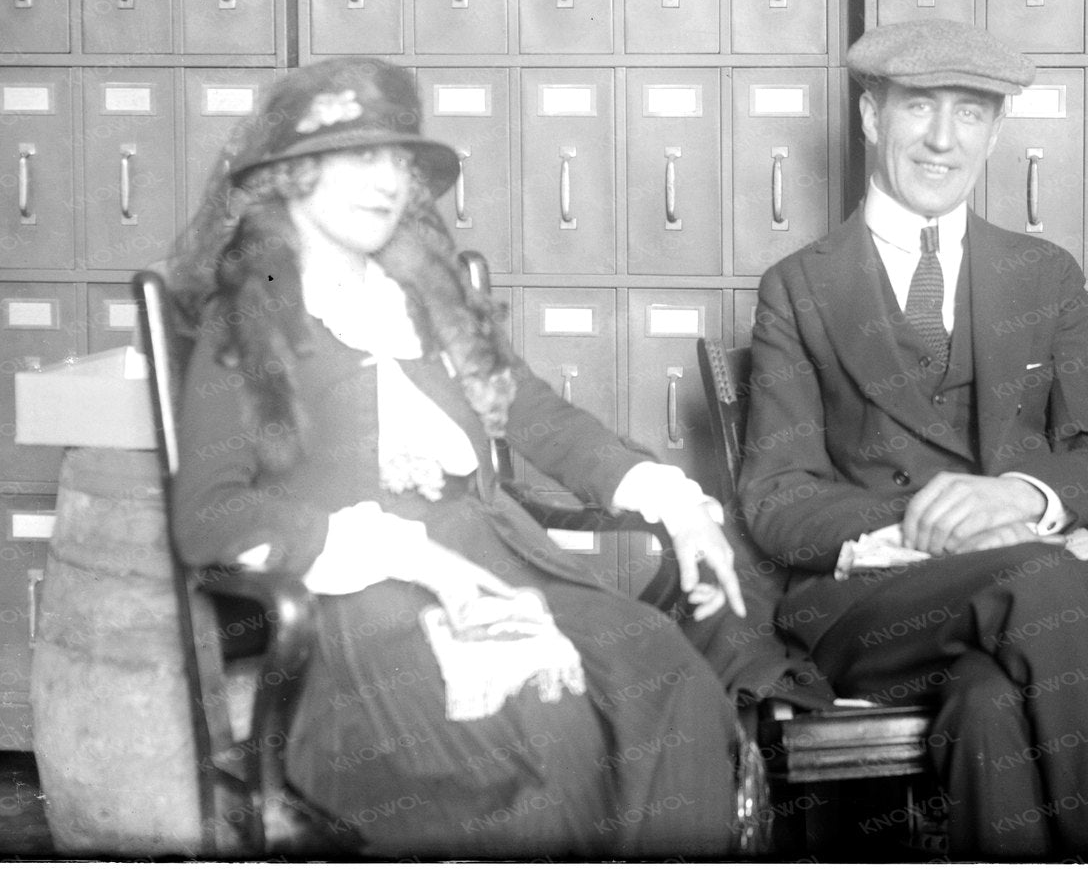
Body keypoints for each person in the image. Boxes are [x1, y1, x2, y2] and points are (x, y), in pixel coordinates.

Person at [165, 57, 747, 856]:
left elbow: (536, 414)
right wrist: (400, 549)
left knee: (667, 678)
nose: (388, 182)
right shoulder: (253, 312)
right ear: (295, 174)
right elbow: (209, 515)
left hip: (507, 563)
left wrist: (671, 501)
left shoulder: (426, 296)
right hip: (369, 614)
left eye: (398, 161)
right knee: (549, 737)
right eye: (358, 157)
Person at [737, 19, 1088, 858]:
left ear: (996, 130)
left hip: (1034, 621)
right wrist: (933, 523)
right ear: (872, 118)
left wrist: (1016, 497)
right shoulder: (799, 287)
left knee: (987, 708)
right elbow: (775, 500)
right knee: (1040, 577)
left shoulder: (1043, 275)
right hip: (884, 610)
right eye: (920, 109)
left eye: (971, 113)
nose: (943, 140)